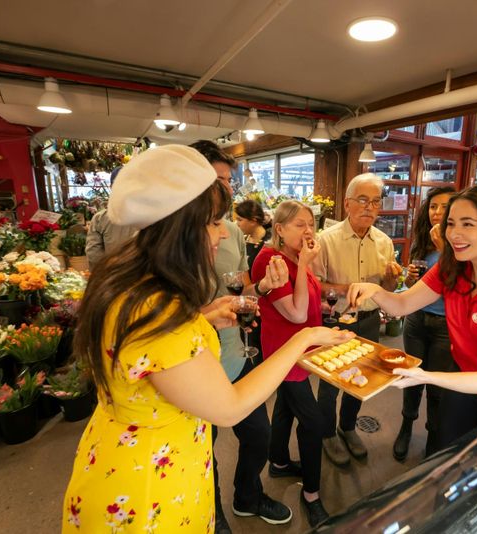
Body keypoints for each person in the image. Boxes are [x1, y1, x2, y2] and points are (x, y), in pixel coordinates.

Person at [61, 145, 354, 533]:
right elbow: (228, 407)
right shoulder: (157, 306)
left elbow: (152, 351)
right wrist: (304, 341)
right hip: (148, 491)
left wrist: (206, 316)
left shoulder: (131, 279)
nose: (222, 232)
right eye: (214, 222)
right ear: (183, 225)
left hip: (124, 457)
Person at [347, 184, 477, 452]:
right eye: (451, 223)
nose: (454, 233)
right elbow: (402, 304)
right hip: (462, 375)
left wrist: (427, 376)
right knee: (445, 452)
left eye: (468, 224)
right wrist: (375, 290)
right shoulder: (452, 268)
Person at [189, 140, 291, 532]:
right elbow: (169, 321)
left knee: (259, 436)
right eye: (217, 181)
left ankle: (247, 496)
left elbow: (240, 287)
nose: (226, 190)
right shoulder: (170, 241)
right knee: (203, 448)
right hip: (196, 362)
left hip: (237, 352)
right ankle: (213, 516)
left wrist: (261, 287)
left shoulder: (231, 229)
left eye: (229, 181)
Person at [251, 200, 331, 528]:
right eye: (299, 224)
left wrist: (325, 305)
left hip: (302, 350)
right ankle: (311, 494)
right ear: (279, 229)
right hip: (286, 354)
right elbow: (296, 313)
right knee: (313, 424)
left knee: (285, 406)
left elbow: (307, 302)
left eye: (311, 223)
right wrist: (306, 264)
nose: (308, 230)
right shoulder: (270, 261)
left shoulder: (295, 258)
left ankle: (279, 462)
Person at [313, 173, 402, 466]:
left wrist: (390, 281)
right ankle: (326, 434)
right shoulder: (326, 240)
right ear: (348, 204)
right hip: (335, 320)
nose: (369, 207)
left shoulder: (385, 242)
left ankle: (348, 427)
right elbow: (314, 283)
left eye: (376, 201)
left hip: (369, 319)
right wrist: (343, 289)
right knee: (330, 381)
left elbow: (386, 292)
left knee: (361, 378)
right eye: (363, 200)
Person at [394, 186, 456, 462]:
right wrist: (408, 279)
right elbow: (412, 284)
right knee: (410, 377)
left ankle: (434, 435)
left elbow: (462, 286)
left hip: (446, 324)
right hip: (417, 319)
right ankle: (406, 426)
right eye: (433, 207)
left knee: (437, 386)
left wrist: (447, 250)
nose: (437, 213)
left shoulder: (462, 243)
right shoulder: (422, 239)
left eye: (444, 207)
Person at [85, 167, 138, 269]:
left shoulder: (100, 219)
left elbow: (93, 254)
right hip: (144, 276)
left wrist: (105, 275)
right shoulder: (151, 215)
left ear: (111, 187)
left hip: (112, 275)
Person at [234, 199, 270, 270]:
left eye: (240, 220)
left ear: (253, 221)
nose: (237, 224)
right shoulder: (243, 239)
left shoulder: (269, 243)